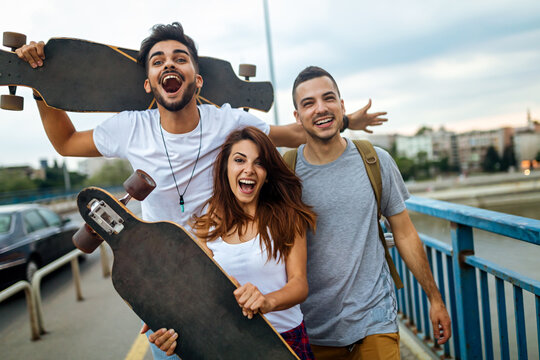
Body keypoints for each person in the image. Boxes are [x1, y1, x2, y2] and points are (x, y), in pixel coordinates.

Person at [16, 23, 385, 359]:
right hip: (168, 289)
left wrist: (346, 120)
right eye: (157, 61)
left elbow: (292, 133)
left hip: (222, 279)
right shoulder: (130, 129)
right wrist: (38, 86)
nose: (169, 65)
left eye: (180, 58)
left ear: (198, 80)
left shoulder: (226, 120)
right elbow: (65, 142)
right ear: (149, 83)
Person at [287, 66, 451, 360]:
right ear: (297, 117)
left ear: (342, 105)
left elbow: (404, 233)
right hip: (313, 328)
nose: (321, 108)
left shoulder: (375, 161)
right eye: (308, 103)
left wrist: (435, 299)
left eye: (329, 98)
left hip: (376, 319)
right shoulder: (286, 173)